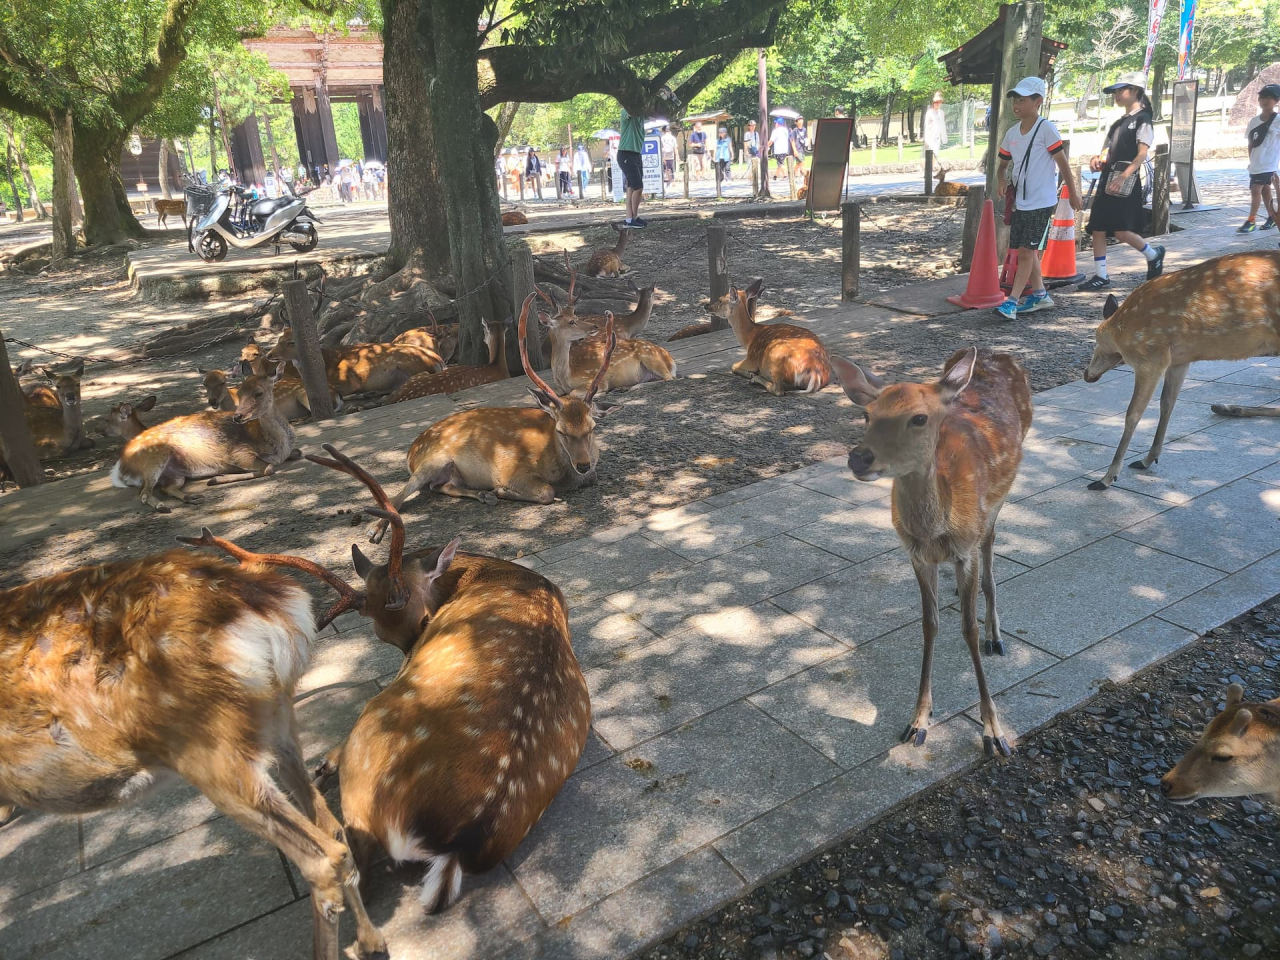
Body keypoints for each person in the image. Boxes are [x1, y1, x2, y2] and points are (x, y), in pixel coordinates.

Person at [994, 76, 1083, 320]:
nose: (1017, 105)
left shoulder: (1046, 128)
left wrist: (1073, 193)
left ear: (1037, 102)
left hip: (1041, 201)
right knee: (1027, 250)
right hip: (1021, 200)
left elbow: (1062, 164)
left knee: (1025, 251)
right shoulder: (1012, 133)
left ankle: (1012, 301)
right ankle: (1040, 295)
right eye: (1015, 100)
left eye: (1022, 100)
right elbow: (1002, 164)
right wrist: (1001, 179)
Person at [1078, 72, 1165, 290]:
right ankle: (1101, 275)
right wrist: (1097, 160)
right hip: (1108, 179)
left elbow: (1142, 154)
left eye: (1121, 90)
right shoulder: (1118, 123)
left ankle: (1153, 255)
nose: (1116, 94)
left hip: (1126, 182)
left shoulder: (1143, 120)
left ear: (1135, 90)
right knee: (1097, 227)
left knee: (1121, 230)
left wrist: (1124, 176)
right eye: (1115, 91)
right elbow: (1105, 152)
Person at [1241, 84, 1280, 232]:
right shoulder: (1254, 121)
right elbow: (1251, 142)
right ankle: (1272, 217)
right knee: (1265, 190)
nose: (1264, 101)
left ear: (1276, 100)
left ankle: (1251, 220)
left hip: (1268, 164)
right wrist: (1251, 161)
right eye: (1262, 97)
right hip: (1256, 164)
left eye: (1269, 97)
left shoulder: (1278, 120)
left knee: (1256, 189)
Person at [618, 106, 647, 227]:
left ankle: (630, 219)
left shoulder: (642, 116)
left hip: (636, 154)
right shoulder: (626, 111)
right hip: (626, 153)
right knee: (638, 186)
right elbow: (631, 111)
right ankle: (632, 217)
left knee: (631, 187)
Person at [924, 91, 948, 157]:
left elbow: (942, 125)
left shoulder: (941, 113)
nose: (938, 104)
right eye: (936, 102)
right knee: (930, 155)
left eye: (939, 102)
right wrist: (926, 140)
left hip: (937, 138)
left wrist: (944, 138)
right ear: (933, 103)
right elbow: (927, 127)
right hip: (930, 137)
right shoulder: (930, 113)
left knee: (936, 154)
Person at [743, 119, 761, 184]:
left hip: (756, 151)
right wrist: (746, 152)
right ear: (748, 126)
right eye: (751, 125)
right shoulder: (747, 134)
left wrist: (759, 150)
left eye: (754, 125)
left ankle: (754, 179)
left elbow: (758, 143)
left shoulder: (756, 134)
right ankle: (749, 180)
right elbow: (745, 144)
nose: (752, 127)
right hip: (750, 151)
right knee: (750, 166)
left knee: (757, 166)